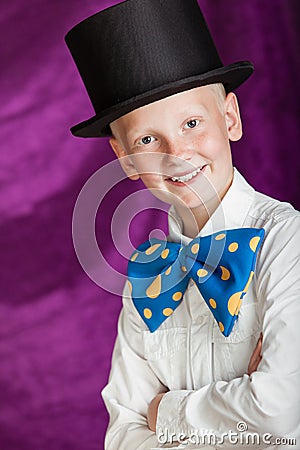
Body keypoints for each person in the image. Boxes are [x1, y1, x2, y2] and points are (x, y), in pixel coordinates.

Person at [65, 0, 300, 448]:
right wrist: (236, 413)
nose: (177, 152)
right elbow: (120, 434)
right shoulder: (146, 274)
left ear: (229, 117)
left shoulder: (287, 242)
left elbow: (282, 410)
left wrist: (165, 411)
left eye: (192, 122)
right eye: (148, 139)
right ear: (125, 158)